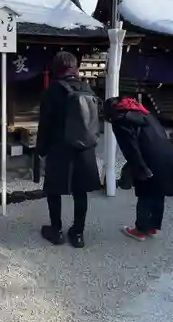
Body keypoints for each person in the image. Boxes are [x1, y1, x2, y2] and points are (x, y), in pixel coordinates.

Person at [36, 51, 101, 248]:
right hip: (85, 149)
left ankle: (56, 231)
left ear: (56, 68)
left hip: (60, 148)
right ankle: (78, 233)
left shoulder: (53, 91)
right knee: (80, 192)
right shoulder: (88, 89)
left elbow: (45, 124)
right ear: (75, 67)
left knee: (54, 190)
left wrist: (41, 149)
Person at [104, 96, 173, 241]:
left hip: (147, 158)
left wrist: (140, 168)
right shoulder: (144, 112)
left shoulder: (121, 122)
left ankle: (140, 230)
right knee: (158, 191)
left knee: (145, 193)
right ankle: (152, 226)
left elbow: (130, 148)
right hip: (166, 154)